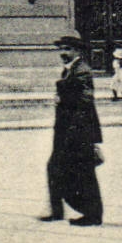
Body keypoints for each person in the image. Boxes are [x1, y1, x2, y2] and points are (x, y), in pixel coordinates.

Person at [41, 30, 102, 226]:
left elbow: (86, 98)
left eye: (67, 49)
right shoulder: (70, 70)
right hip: (67, 129)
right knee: (56, 168)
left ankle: (92, 215)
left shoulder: (82, 70)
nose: (62, 53)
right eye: (61, 49)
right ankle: (58, 211)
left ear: (77, 51)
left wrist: (63, 99)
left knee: (83, 172)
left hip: (78, 130)